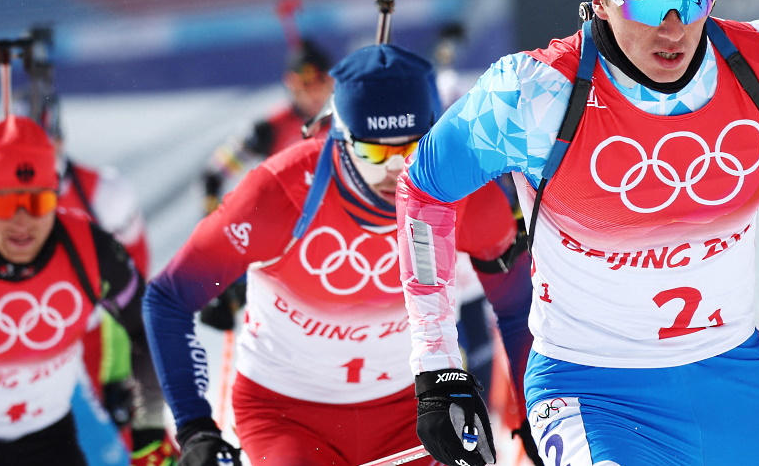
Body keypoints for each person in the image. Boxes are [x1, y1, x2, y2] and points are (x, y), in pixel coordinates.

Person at [396, 0, 759, 466]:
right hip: (593, 392)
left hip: (734, 371)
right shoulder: (534, 95)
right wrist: (436, 366)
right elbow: (424, 187)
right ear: (602, 1)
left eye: (692, 2)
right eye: (647, 4)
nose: (673, 29)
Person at [143, 44, 536, 466]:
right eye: (374, 152)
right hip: (287, 415)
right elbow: (168, 298)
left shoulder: (467, 192)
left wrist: (533, 416)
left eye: (410, 149)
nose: (394, 171)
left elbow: (517, 310)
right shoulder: (279, 192)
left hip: (412, 411)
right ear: (340, 136)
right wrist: (195, 428)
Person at [0, 116, 167, 466]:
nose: (22, 222)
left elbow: (147, 326)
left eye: (38, 203)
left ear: (57, 194)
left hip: (51, 441)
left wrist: (149, 433)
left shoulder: (91, 250)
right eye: (3, 204)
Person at [196, 38, 335, 332]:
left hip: (336, 232)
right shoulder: (269, 128)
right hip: (286, 235)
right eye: (303, 86)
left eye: (319, 83)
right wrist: (213, 223)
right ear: (290, 84)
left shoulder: (347, 123)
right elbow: (213, 175)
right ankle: (230, 296)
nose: (312, 94)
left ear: (332, 83)